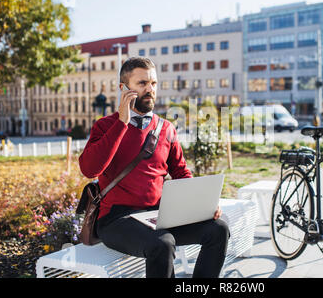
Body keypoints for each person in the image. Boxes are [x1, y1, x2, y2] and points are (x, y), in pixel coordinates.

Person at [78, 57, 229, 278]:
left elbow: (181, 172)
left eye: (154, 83)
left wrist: (203, 206)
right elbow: (90, 170)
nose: (150, 89)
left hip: (160, 215)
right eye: (142, 83)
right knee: (163, 243)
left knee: (218, 229)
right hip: (116, 220)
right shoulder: (105, 125)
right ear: (124, 88)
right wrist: (122, 121)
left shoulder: (165, 128)